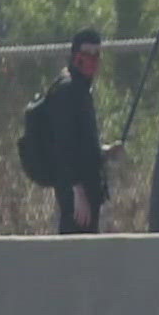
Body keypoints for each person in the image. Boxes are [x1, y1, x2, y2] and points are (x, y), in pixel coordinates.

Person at [46, 29, 124, 234]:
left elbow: (83, 145)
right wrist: (77, 191)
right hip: (76, 196)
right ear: (75, 55)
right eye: (86, 53)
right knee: (75, 257)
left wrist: (105, 152)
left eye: (97, 54)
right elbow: (63, 146)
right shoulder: (67, 89)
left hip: (89, 192)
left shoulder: (81, 90)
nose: (92, 60)